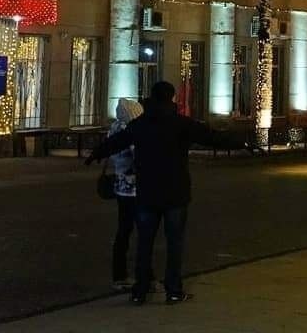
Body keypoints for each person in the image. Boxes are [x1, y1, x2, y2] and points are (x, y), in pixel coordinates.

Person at [87, 81, 219, 305]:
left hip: (147, 192)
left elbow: (117, 142)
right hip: (175, 193)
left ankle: (140, 291)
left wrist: (95, 154)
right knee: (174, 244)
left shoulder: (141, 124)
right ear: (172, 98)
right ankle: (173, 291)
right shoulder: (180, 123)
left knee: (144, 243)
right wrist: (243, 143)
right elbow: (211, 137)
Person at [109, 98, 145, 291]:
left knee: (123, 231)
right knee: (143, 232)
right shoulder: (129, 132)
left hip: (120, 187)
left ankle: (119, 275)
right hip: (134, 188)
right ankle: (142, 275)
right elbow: (140, 157)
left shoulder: (113, 129)